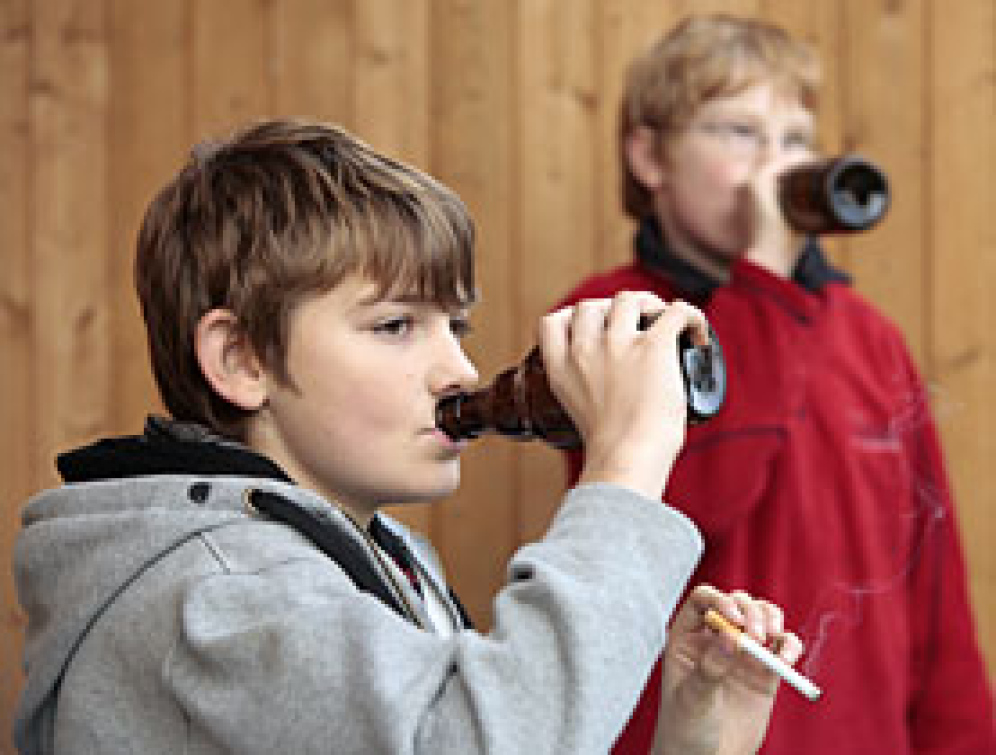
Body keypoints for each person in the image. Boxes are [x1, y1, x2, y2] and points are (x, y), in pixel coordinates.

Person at [13, 118, 805, 755]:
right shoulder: (212, 594)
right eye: (395, 325)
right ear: (240, 358)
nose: (458, 370)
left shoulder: (383, 553)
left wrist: (695, 739)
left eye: (455, 323)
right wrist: (625, 465)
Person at [555, 14, 995, 755]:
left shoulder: (868, 336)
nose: (776, 166)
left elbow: (935, 596)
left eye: (794, 140)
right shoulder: (613, 325)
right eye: (739, 133)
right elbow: (704, 497)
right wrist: (762, 279)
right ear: (649, 156)